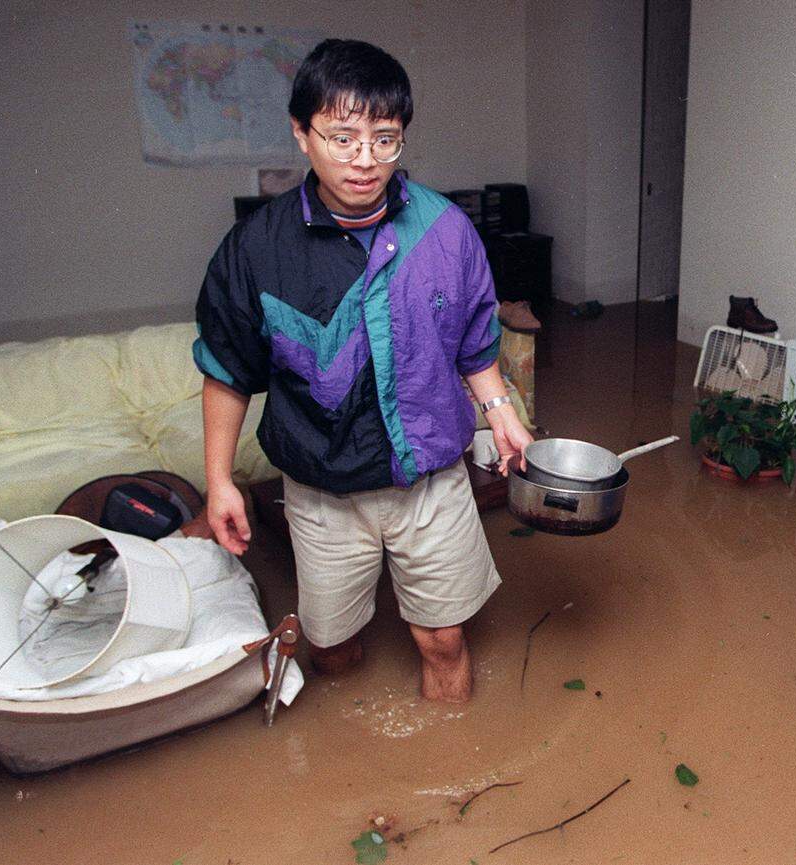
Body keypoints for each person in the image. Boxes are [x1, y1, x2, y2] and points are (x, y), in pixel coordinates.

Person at [193, 39, 533, 703]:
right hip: (323, 490)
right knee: (333, 649)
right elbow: (228, 369)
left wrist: (501, 413)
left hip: (430, 480)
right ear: (301, 133)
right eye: (342, 137)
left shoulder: (446, 230)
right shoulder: (256, 250)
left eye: (385, 139)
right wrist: (219, 480)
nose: (365, 160)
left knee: (443, 640)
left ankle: (451, 752)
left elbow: (473, 342)